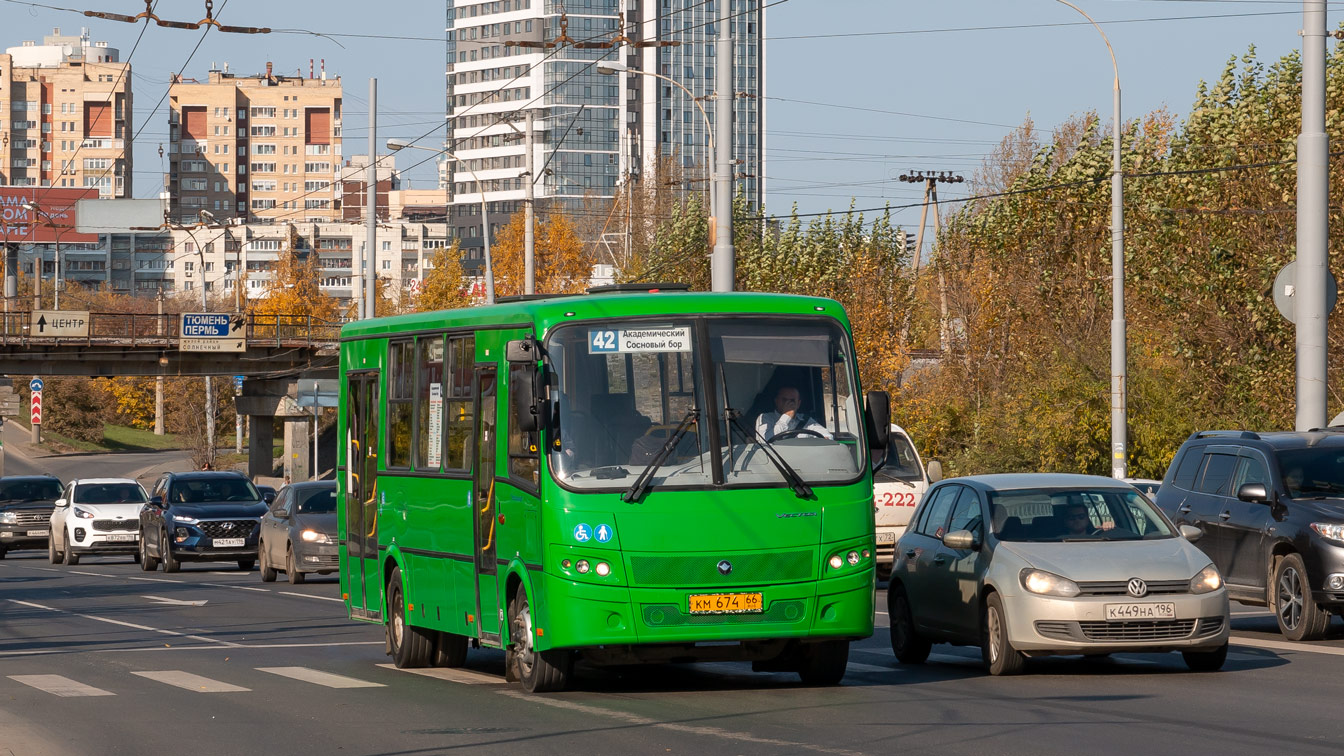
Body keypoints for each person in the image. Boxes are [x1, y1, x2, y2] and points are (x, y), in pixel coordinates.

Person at [755, 386, 832, 441]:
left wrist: (824, 439)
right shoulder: (765, 418)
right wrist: (786, 417)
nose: (788, 404)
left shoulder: (805, 420)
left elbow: (828, 436)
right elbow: (765, 441)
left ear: (798, 403)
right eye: (784, 400)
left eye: (792, 400)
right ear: (776, 401)